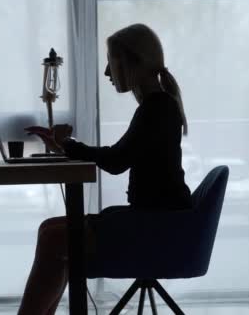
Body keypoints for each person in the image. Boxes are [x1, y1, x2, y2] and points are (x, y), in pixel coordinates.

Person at [18, 23, 192, 315]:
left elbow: (115, 161)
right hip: (157, 221)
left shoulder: (156, 109)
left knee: (52, 237)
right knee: (50, 230)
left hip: (156, 228)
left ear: (133, 62)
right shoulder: (158, 106)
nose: (107, 73)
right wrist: (66, 146)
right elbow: (119, 157)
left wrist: (68, 145)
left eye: (112, 61)